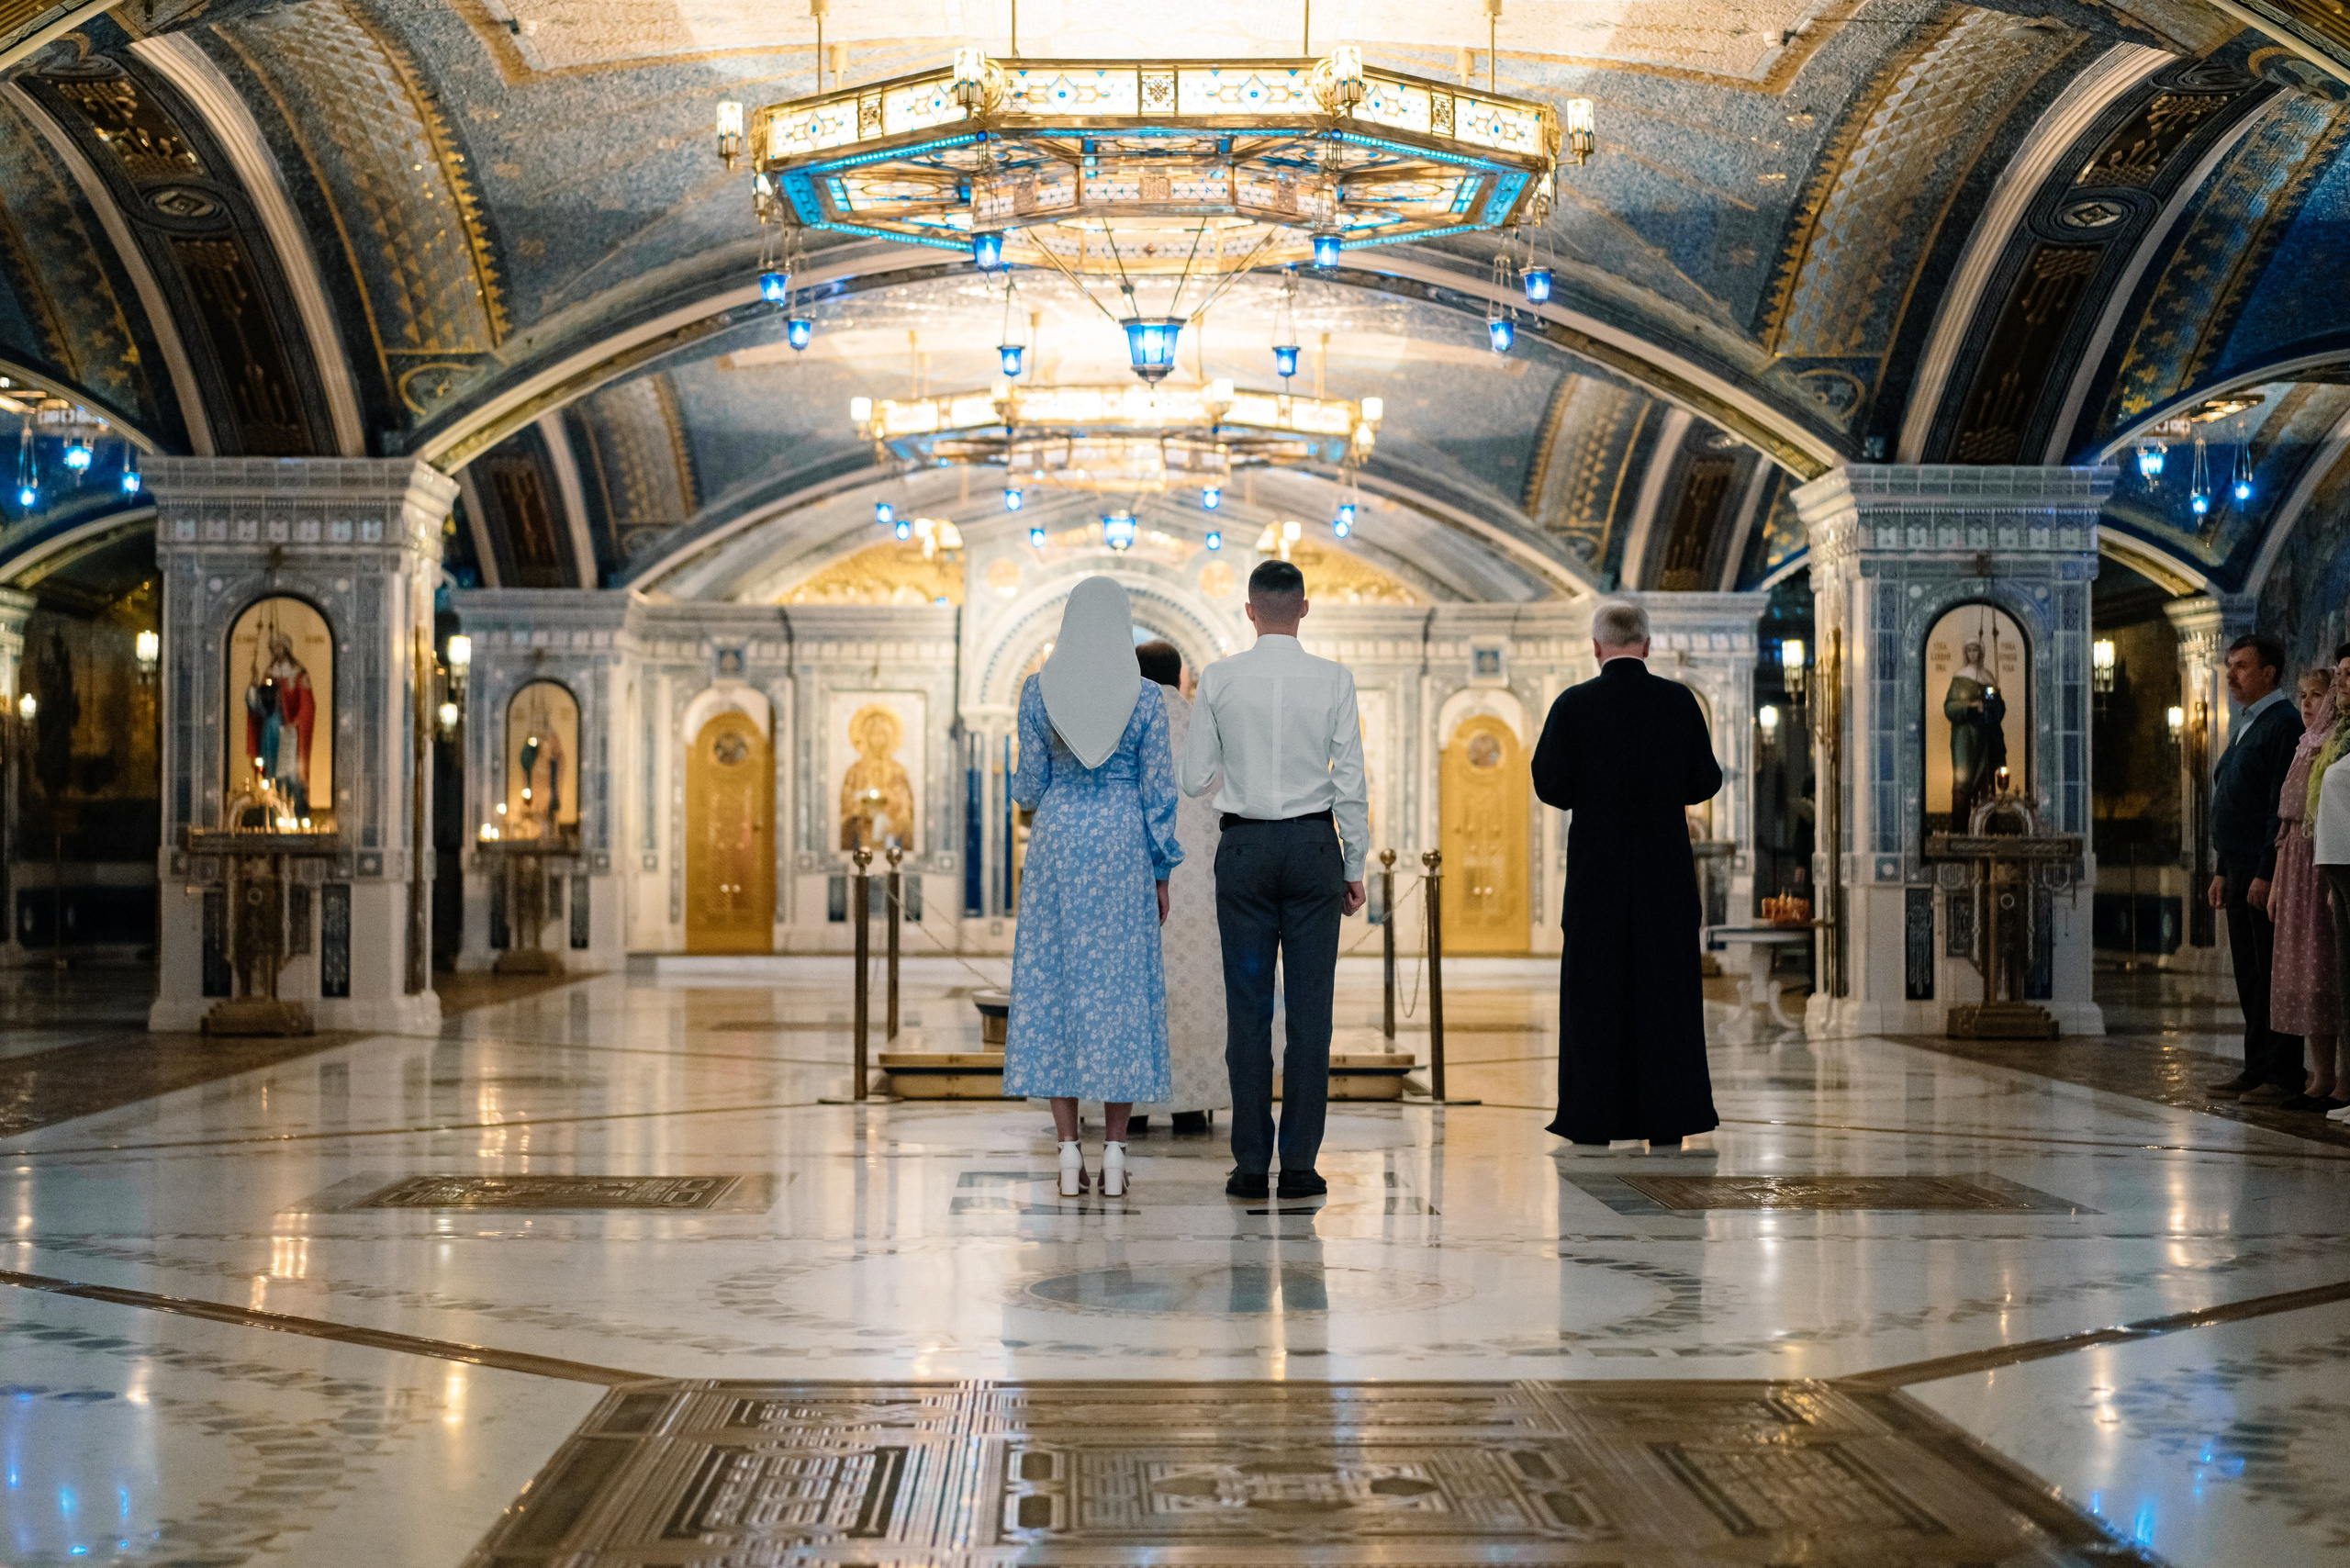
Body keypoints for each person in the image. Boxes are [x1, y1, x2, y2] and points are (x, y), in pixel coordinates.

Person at [1180, 559, 1371, 1201]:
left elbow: (1193, 776)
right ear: (1305, 609)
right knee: (1312, 1015)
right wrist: (1354, 865)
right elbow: (1350, 782)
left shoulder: (1221, 678)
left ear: (1251, 610)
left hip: (1246, 848)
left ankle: (1250, 1165)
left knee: (1249, 1010)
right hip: (1316, 846)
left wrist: (1241, 765)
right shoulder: (1334, 679)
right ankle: (1300, 1167)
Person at [1002, 577, 1182, 1198]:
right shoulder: (1146, 701)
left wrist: (1050, 782)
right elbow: (1160, 795)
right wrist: (1161, 872)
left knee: (1058, 989)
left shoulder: (1037, 692)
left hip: (1057, 845)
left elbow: (1026, 790)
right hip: (1123, 847)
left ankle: (1066, 1154)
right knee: (1122, 994)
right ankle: (1114, 1157)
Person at [1532, 599, 1724, 1151]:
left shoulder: (1573, 705)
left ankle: (1593, 1119)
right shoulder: (1678, 701)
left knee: (1596, 1001)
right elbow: (1705, 780)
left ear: (1596, 648)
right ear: (1647, 644)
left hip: (1597, 882)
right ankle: (1668, 1121)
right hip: (1665, 880)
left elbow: (1550, 785)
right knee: (1667, 1002)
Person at [1136, 640, 1228, 1137]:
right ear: (1182, 677)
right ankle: (1194, 1102)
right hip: (1202, 877)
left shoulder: (1125, 724)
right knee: (1198, 983)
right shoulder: (1205, 722)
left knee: (1138, 986)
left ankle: (1132, 1105)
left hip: (1140, 876)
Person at [2207, 633, 2305, 1103]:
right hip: (2239, 866)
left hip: (2263, 870)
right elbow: (2232, 793)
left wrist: (2267, 870)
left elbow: (2275, 805)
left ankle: (2283, 1073)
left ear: (2269, 672)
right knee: (2248, 971)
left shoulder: (2282, 723)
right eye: (2229, 665)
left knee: (2271, 972)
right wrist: (2223, 867)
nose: (2231, 675)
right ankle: (2255, 1067)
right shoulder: (2248, 722)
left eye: (2241, 666)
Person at [2271, 666, 2340, 1111]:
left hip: (2320, 865)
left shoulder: (2334, 745)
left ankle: (2337, 1078)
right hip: (2295, 864)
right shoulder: (2303, 746)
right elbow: (2286, 826)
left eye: (2317, 695)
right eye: (2303, 695)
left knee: (2325, 973)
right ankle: (2319, 1074)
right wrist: (2278, 881)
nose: (2308, 703)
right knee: (2303, 974)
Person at [2310, 643, 2350, 1119]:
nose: (2341, 682)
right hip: (2337, 864)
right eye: (2339, 673)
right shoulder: (2340, 733)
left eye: (2348, 674)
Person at [1944, 636, 2008, 823]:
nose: (1973, 653)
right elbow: (1950, 707)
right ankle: (1961, 830)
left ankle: (1986, 830)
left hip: (1986, 737)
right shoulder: (1960, 676)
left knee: (1986, 783)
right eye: (1970, 650)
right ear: (1966, 653)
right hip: (1965, 738)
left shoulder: (1988, 676)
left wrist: (1992, 706)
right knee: (1963, 783)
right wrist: (1971, 705)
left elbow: (1999, 708)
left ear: (1982, 652)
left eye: (1976, 650)